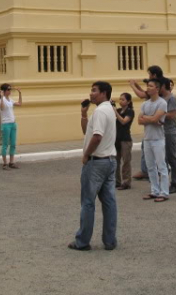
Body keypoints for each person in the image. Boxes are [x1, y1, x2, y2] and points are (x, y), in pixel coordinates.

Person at [68, 81, 117, 251]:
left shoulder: (101, 111)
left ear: (103, 93)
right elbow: (88, 133)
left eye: (94, 90)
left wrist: (86, 154)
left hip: (96, 162)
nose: (91, 94)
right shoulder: (108, 109)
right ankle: (110, 241)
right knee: (109, 202)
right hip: (110, 160)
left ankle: (82, 241)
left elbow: (96, 137)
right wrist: (83, 115)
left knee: (88, 202)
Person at [130, 65, 164, 180]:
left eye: (149, 74)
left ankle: (151, 171)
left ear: (154, 75)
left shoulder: (159, 86)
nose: (148, 76)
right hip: (150, 127)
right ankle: (148, 170)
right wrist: (137, 85)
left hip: (158, 126)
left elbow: (141, 95)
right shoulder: (154, 87)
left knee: (155, 151)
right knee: (146, 147)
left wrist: (132, 86)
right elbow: (145, 92)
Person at [138, 79, 169, 202]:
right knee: (150, 166)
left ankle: (164, 192)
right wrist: (151, 119)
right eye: (147, 86)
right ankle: (154, 191)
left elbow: (155, 118)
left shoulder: (162, 103)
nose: (148, 88)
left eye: (151, 86)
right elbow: (139, 120)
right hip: (147, 139)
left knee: (161, 166)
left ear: (157, 88)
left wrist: (149, 118)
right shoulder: (145, 104)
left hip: (158, 139)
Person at [160, 78, 176, 193]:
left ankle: (175, 183)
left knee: (172, 157)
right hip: (161, 131)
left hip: (169, 131)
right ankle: (164, 182)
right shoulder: (160, 99)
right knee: (163, 159)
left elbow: (172, 114)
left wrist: (157, 115)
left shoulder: (172, 98)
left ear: (164, 86)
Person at [0, 83, 22, 170]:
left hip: (13, 124)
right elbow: (2, 108)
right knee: (5, 145)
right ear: (4, 91)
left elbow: (20, 104)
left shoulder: (10, 100)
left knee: (13, 144)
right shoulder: (1, 100)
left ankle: (11, 162)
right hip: (6, 125)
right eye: (8, 89)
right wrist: (1, 97)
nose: (9, 91)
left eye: (10, 89)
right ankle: (4, 164)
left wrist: (20, 93)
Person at [114, 93, 134, 190]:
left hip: (125, 139)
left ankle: (126, 182)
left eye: (123, 99)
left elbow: (123, 121)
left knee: (126, 161)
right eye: (120, 99)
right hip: (116, 139)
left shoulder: (130, 112)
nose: (120, 101)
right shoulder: (117, 110)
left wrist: (115, 112)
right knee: (115, 161)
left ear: (128, 101)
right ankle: (116, 181)